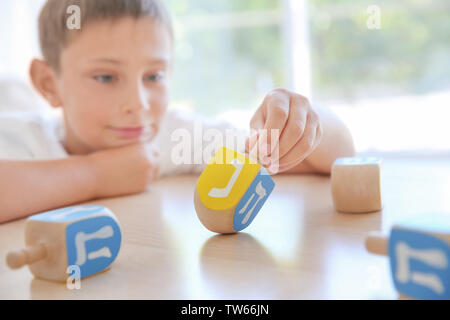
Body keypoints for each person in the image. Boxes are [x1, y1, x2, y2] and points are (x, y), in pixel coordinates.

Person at [0, 0, 355, 223]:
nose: (138, 103)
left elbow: (333, 157)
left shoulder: (172, 136)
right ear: (48, 83)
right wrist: (97, 175)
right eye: (106, 76)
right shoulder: (21, 140)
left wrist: (305, 120)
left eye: (153, 76)